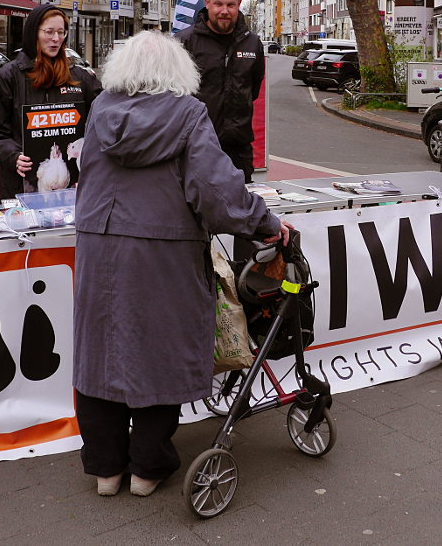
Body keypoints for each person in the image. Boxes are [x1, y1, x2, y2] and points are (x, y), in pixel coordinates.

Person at [72, 30, 289, 498]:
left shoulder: (101, 110)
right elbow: (217, 193)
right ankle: (148, 469)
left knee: (100, 351)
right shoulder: (188, 114)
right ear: (179, 71)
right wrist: (265, 223)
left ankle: (106, 469)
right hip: (161, 247)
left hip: (97, 244)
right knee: (158, 349)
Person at [0, 4, 102, 198]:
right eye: (49, 32)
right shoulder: (8, 77)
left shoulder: (80, 77)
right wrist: (13, 156)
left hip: (74, 190)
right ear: (33, 33)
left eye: (61, 32)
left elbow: (103, 119)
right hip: (20, 188)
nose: (56, 39)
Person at [176, 0, 265, 183]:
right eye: (218, 4)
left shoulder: (252, 44)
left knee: (241, 211)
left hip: (238, 151)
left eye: (230, 5)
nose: (224, 11)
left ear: (239, 5)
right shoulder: (184, 42)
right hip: (195, 148)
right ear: (207, 3)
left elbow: (252, 90)